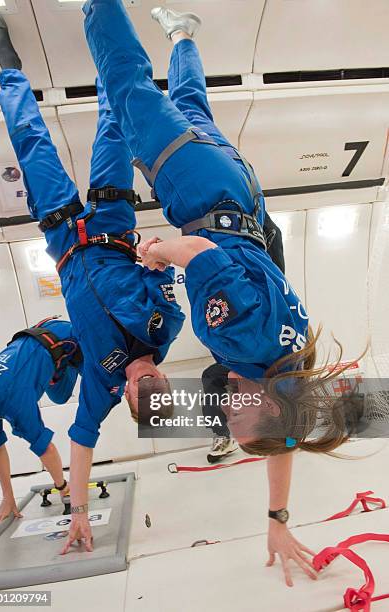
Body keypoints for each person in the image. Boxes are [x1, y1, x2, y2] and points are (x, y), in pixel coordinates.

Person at [82, 1, 356, 584]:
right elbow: (201, 254)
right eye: (237, 419)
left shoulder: (288, 362)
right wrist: (158, 252)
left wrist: (277, 516)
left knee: (190, 105)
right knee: (127, 88)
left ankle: (183, 34)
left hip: (242, 190)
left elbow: (283, 440)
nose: (226, 414)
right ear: (260, 403)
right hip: (201, 190)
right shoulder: (239, 339)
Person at [0, 7, 185, 552]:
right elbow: (167, 263)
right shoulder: (167, 325)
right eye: (157, 382)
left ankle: (1, 47)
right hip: (112, 219)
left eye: (142, 389)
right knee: (114, 120)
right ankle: (98, 25)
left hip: (63, 239)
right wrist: (157, 255)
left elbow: (80, 442)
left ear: (128, 394)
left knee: (28, 137)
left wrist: (78, 513)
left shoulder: (103, 382)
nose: (148, 377)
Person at [0, 317, 82, 531]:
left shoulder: (13, 403)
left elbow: (45, 448)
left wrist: (62, 487)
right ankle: (61, 365)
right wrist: (8, 497)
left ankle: (75, 359)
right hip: (40, 338)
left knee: (102, 380)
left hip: (64, 338)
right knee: (60, 396)